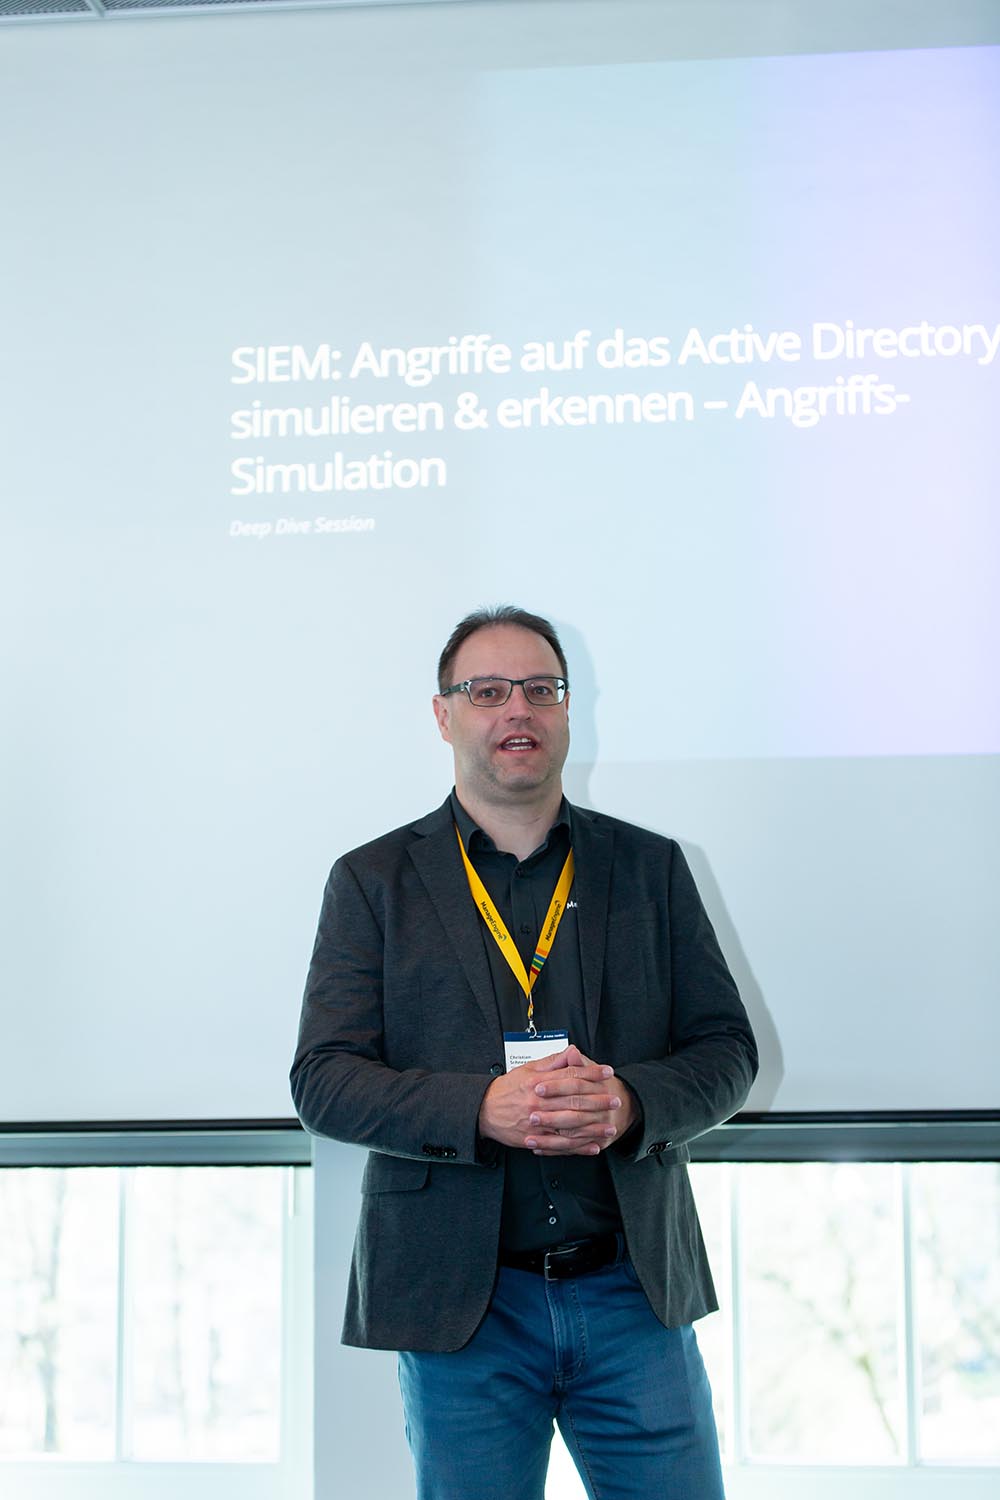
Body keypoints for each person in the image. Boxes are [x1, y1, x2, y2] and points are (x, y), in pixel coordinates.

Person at [291, 604, 757, 1500]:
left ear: (568, 710)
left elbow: (726, 1051)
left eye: (541, 690)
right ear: (444, 716)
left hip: (632, 1293)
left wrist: (630, 1102)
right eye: (488, 691)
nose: (518, 709)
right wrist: (477, 1108)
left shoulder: (651, 868)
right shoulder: (372, 880)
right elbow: (323, 1081)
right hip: (464, 1309)